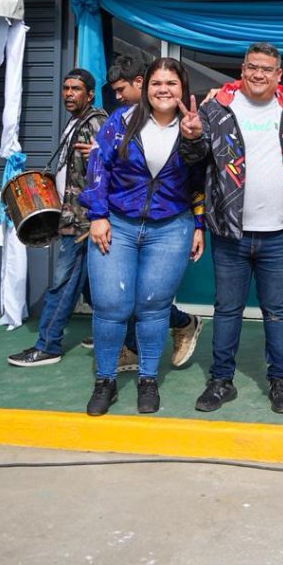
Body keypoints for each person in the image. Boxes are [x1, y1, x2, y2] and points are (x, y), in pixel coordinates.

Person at [179, 43, 283, 414]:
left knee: (278, 310)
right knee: (227, 308)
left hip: (278, 232)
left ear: (278, 75)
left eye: (266, 69)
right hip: (229, 231)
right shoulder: (217, 108)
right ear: (242, 69)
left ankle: (279, 380)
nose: (258, 74)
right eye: (252, 67)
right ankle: (221, 380)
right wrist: (191, 137)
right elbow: (194, 160)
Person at [79, 58, 205, 416]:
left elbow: (201, 179)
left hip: (171, 227)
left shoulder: (194, 125)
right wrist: (98, 215)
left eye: (171, 83)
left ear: (183, 88)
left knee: (153, 306)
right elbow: (98, 165)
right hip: (117, 223)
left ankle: (148, 379)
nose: (163, 89)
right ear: (145, 87)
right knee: (110, 306)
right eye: (156, 83)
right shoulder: (122, 120)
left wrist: (198, 224)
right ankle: (105, 381)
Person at [7, 69, 107, 367]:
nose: (69, 94)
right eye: (66, 88)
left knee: (63, 285)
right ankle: (114, 334)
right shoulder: (75, 122)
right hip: (72, 217)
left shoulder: (95, 123)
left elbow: (108, 169)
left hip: (83, 222)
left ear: (90, 94)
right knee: (90, 285)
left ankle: (47, 346)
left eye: (76, 89)